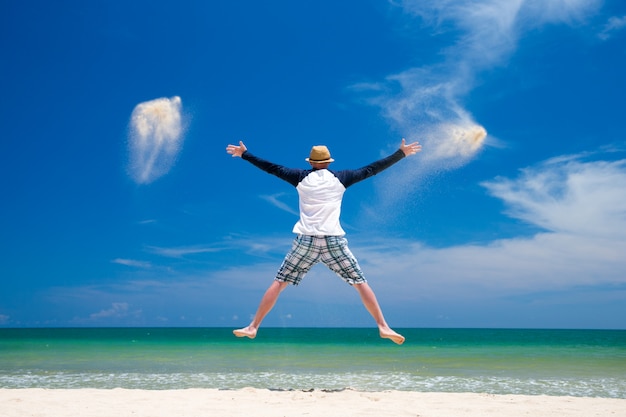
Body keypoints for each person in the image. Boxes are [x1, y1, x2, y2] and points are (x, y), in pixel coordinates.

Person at [225, 138, 422, 345]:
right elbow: (372, 169)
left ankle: (253, 326)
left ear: (311, 162)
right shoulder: (341, 178)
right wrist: (401, 153)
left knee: (280, 281)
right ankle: (383, 326)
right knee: (360, 282)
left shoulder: (299, 177)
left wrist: (245, 154)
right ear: (329, 162)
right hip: (333, 241)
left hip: (306, 241)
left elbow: (271, 168)